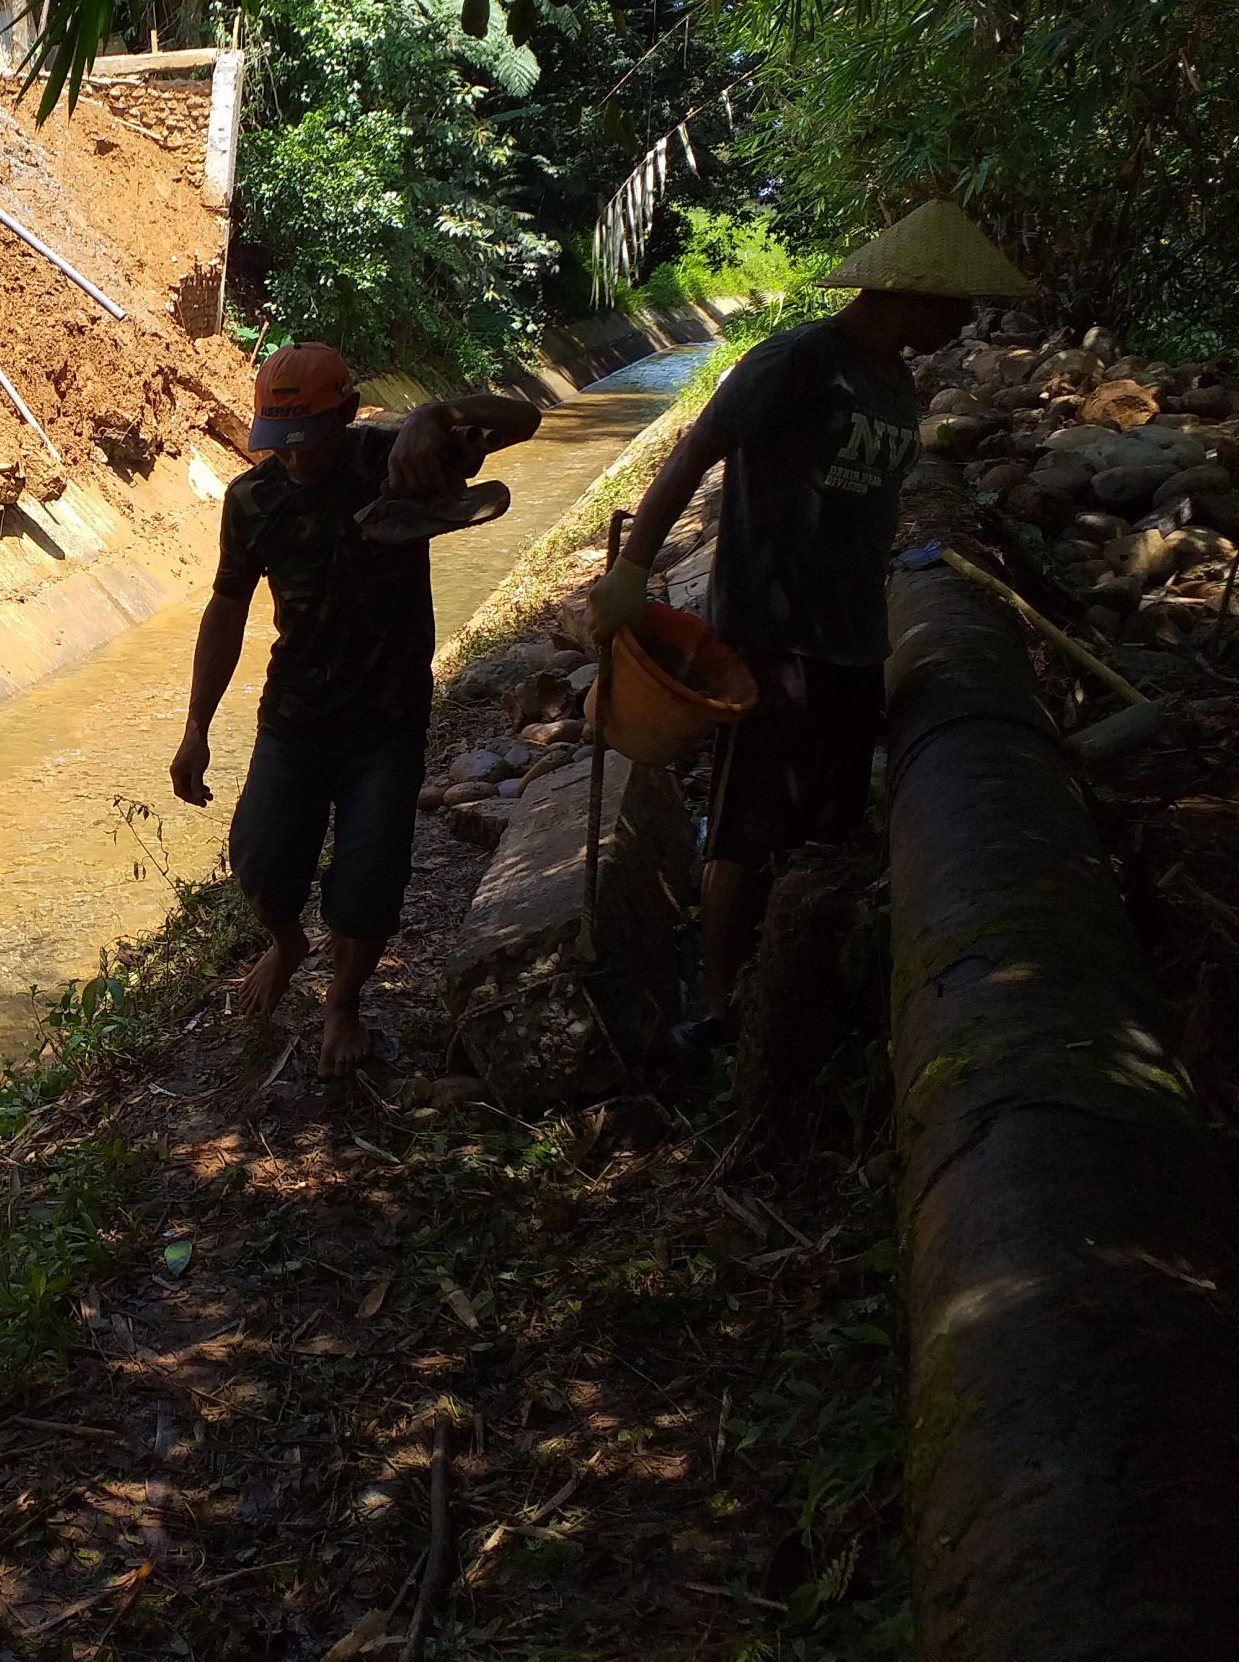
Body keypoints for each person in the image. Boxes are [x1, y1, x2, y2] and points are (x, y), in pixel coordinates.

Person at [587, 199, 1035, 1066]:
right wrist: (634, 573)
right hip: (770, 631)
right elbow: (693, 454)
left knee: (826, 823)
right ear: (912, 292)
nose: (967, 323)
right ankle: (717, 1003)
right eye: (959, 306)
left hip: (854, 635)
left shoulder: (893, 380)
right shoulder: (799, 361)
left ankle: (795, 986)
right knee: (747, 823)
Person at [171, 342, 541, 1077]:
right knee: (260, 860)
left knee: (369, 881)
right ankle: (288, 947)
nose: (297, 459)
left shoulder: (397, 460)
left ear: (346, 413)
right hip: (294, 718)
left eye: (311, 439)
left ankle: (342, 1001)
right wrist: (196, 727)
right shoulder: (253, 501)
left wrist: (434, 417)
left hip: (387, 721)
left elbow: (523, 417)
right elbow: (226, 608)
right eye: (281, 444)